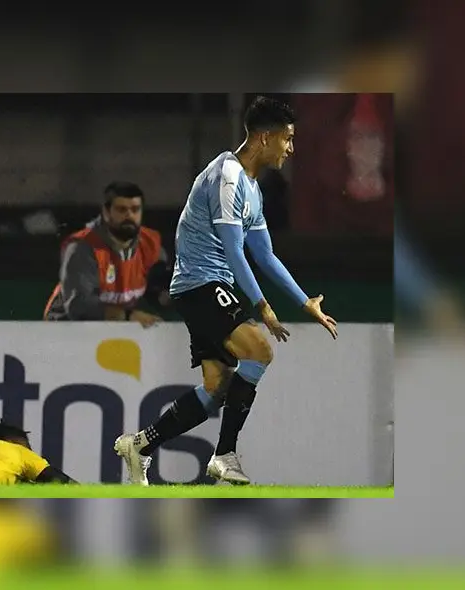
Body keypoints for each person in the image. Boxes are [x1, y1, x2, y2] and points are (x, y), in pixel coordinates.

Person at [114, 96, 338, 486]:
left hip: (208, 285)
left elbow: (264, 256)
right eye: (287, 139)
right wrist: (262, 306)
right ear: (265, 138)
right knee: (260, 351)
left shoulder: (253, 189)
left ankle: (140, 445)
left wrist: (305, 303)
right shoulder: (228, 176)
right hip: (201, 282)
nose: (291, 148)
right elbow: (234, 250)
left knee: (216, 388)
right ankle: (224, 456)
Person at [43, 181, 170, 327]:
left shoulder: (150, 245)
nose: (129, 215)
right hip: (65, 331)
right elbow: (79, 306)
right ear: (106, 212)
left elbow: (157, 290)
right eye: (121, 210)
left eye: (135, 209)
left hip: (114, 329)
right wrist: (129, 316)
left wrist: (168, 296)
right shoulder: (83, 248)